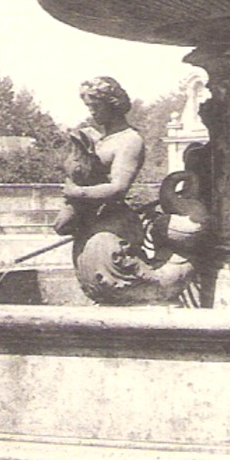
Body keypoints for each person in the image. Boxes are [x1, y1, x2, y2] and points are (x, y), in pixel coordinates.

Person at [58, 76, 149, 299]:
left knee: (113, 287)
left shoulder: (129, 140)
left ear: (113, 104)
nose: (92, 113)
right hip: (92, 221)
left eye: (96, 107)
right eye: (89, 107)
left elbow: (119, 188)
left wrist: (78, 193)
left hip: (113, 224)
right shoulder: (102, 139)